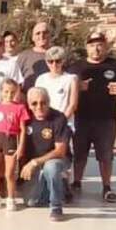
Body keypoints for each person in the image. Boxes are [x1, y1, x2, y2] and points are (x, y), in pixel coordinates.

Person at [69, 32, 116, 202]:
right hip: (81, 118)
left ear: (106, 46)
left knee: (106, 155)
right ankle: (77, 182)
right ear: (86, 47)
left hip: (106, 120)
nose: (96, 48)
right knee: (79, 153)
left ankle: (107, 187)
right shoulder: (76, 67)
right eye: (92, 45)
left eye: (100, 44)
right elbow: (65, 89)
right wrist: (78, 87)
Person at [20, 87, 72, 221]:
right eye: (34, 103)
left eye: (43, 102)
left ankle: (56, 207)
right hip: (35, 163)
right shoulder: (25, 118)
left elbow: (60, 151)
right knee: (31, 202)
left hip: (56, 159)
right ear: (28, 105)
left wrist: (35, 162)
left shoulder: (58, 118)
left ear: (49, 102)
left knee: (51, 167)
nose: (39, 107)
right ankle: (60, 185)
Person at [0, 78, 30, 210]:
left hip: (10, 139)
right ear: (1, 92)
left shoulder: (20, 107)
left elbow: (23, 129)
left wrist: (21, 146)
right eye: (6, 92)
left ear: (16, 92)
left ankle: (11, 198)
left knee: (9, 172)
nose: (9, 95)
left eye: (12, 92)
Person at [34, 46, 79, 129]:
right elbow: (36, 101)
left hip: (65, 124)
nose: (54, 64)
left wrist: (60, 121)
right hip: (45, 123)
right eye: (50, 61)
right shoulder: (41, 79)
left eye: (58, 61)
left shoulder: (71, 79)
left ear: (63, 61)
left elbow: (73, 105)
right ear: (46, 62)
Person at [15, 21, 53, 92]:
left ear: (50, 35)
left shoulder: (57, 55)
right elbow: (15, 80)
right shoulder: (24, 56)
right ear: (33, 37)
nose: (41, 36)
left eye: (45, 32)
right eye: (38, 33)